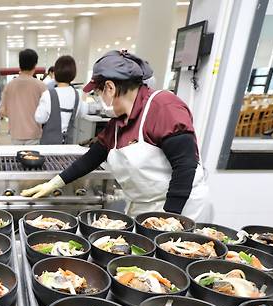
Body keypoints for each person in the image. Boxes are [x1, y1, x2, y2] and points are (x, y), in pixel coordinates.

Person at [22, 50, 209, 221]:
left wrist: (169, 220)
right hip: (144, 206)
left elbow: (185, 166)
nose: (98, 98)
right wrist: (54, 183)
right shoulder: (118, 122)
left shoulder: (164, 107)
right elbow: (92, 158)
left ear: (110, 88)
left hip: (180, 208)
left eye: (98, 92)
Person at [35, 55, 87, 144]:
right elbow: (83, 113)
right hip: (69, 143)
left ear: (55, 73)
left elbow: (40, 118)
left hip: (49, 143)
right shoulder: (77, 94)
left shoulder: (48, 94)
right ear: (73, 74)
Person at [1, 48, 47, 145]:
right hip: (34, 134)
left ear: (20, 64)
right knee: (32, 159)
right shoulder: (41, 86)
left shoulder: (9, 86)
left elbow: (3, 112)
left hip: (15, 133)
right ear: (35, 65)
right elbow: (46, 112)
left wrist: (16, 115)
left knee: (17, 159)